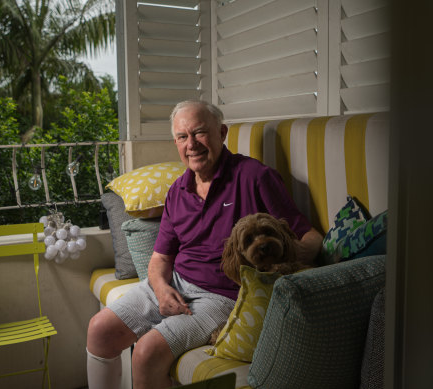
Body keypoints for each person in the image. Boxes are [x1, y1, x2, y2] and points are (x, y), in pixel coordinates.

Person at [86, 100, 323, 389]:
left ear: (221, 133)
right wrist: (162, 290)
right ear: (176, 142)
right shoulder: (177, 191)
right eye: (182, 137)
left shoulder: (254, 177)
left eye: (199, 133)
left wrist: (276, 266)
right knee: (99, 330)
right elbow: (160, 257)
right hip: (175, 282)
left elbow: (311, 238)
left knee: (146, 352)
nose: (192, 144)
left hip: (222, 296)